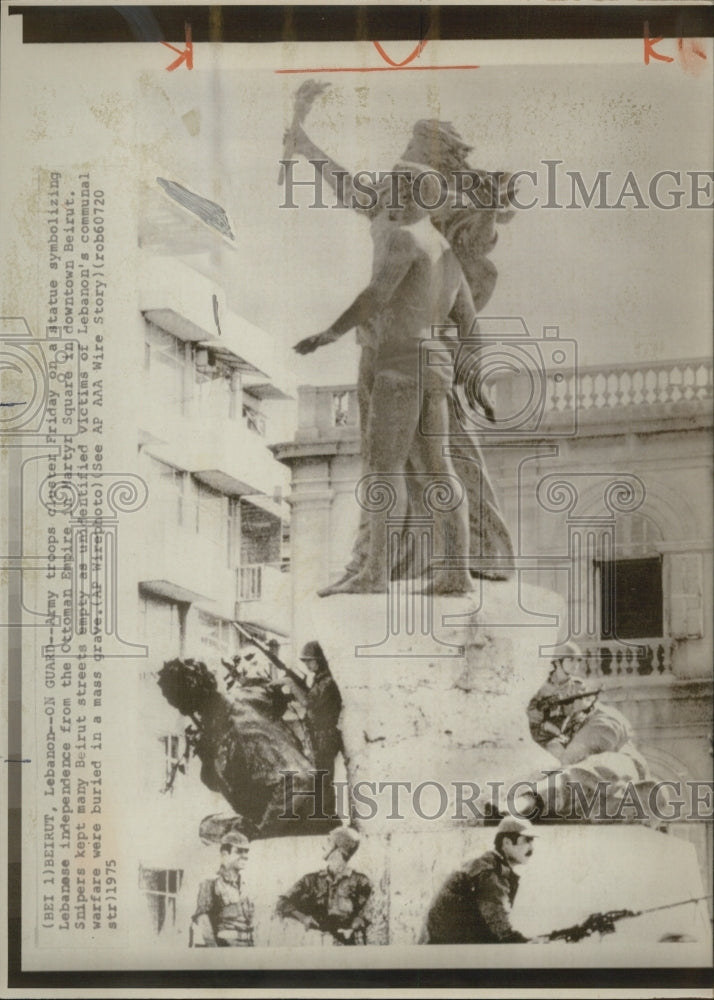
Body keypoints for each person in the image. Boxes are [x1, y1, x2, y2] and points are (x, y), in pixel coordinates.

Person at [288, 108, 515, 590]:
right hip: (432, 362)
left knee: (383, 467)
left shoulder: (404, 236)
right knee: (440, 467)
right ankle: (452, 569)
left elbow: (375, 296)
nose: (396, 168)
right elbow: (469, 320)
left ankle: (374, 572)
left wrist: (328, 334)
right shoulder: (442, 249)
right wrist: (307, 147)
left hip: (394, 361)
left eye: (412, 152)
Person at [421, 816, 544, 944]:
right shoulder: (488, 872)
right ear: (507, 842)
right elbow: (500, 928)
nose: (531, 849)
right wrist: (524, 943)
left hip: (451, 948)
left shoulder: (491, 866)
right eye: (527, 841)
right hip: (449, 952)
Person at [275, 827, 372, 944]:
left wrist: (357, 923)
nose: (322, 845)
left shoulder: (361, 882)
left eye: (328, 841)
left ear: (340, 849)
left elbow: (368, 912)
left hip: (348, 946)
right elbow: (282, 903)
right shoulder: (310, 880)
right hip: (317, 945)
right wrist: (303, 918)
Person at [191, 831, 254, 947]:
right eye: (239, 851)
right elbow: (204, 925)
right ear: (225, 854)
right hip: (225, 952)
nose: (245, 856)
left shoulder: (246, 886)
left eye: (246, 851)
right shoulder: (211, 884)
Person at [526, 642, 589, 753]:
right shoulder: (541, 687)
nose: (576, 664)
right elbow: (533, 719)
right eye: (571, 660)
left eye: (578, 660)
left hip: (569, 737)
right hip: (543, 738)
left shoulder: (578, 686)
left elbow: (582, 717)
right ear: (558, 662)